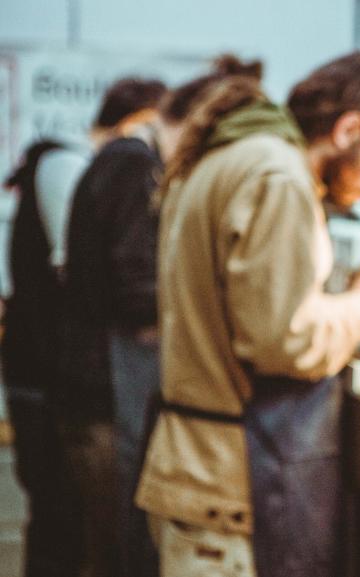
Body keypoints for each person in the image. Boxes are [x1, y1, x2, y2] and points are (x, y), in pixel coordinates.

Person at [135, 51, 360, 577]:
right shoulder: (278, 174)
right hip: (226, 481)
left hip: (195, 469)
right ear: (349, 128)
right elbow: (282, 340)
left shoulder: (231, 154)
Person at [59, 76, 167, 577]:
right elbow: (135, 286)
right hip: (105, 384)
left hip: (89, 379)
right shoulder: (132, 161)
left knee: (100, 545)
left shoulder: (108, 162)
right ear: (148, 117)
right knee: (117, 547)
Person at [2, 136, 88, 576]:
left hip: (29, 373)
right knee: (58, 512)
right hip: (43, 378)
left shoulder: (44, 171)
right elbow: (70, 269)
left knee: (51, 510)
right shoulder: (60, 167)